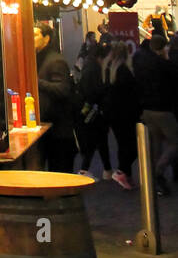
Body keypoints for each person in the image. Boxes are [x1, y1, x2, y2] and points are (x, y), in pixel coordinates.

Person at [132, 32, 178, 195]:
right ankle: (158, 171)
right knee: (175, 142)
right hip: (163, 109)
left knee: (156, 144)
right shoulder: (164, 65)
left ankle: (153, 179)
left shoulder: (143, 64)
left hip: (147, 110)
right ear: (163, 48)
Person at [33, 22, 76, 173]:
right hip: (46, 127)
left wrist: (37, 82)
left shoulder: (55, 60)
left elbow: (63, 89)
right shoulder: (38, 59)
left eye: (36, 35)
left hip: (59, 130)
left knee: (60, 172)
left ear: (47, 38)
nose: (32, 38)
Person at [102, 40, 141, 190]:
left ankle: (126, 176)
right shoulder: (124, 70)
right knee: (132, 145)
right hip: (126, 113)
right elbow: (131, 93)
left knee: (122, 144)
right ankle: (122, 171)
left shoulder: (108, 68)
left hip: (113, 113)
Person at [77, 42, 113, 179]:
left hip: (90, 110)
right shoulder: (94, 69)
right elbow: (94, 91)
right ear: (100, 57)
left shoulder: (88, 65)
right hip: (94, 110)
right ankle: (84, 170)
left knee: (99, 140)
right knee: (96, 140)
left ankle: (107, 169)